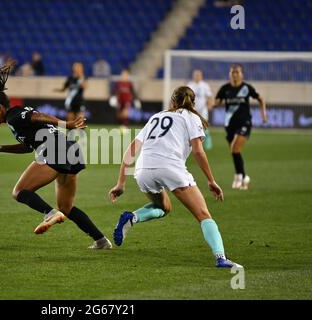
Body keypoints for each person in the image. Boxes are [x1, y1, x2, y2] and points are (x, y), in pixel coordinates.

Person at [0, 62, 112, 249]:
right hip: (68, 149)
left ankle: (49, 213)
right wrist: (1, 147)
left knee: (19, 192)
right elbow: (27, 146)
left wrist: (67, 124)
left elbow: (37, 116)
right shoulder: (14, 119)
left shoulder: (14, 116)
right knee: (66, 207)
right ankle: (101, 241)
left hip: (54, 149)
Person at [109, 86, 242, 268]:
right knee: (203, 215)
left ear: (172, 101)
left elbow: (132, 148)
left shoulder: (156, 116)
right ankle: (221, 258)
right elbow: (198, 151)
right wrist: (211, 180)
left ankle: (131, 217)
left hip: (143, 169)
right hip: (171, 167)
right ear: (193, 102)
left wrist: (120, 183)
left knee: (163, 207)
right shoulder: (192, 117)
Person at [214, 64, 267, 190]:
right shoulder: (224, 88)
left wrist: (263, 114)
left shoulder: (247, 88)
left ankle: (238, 177)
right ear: (229, 74)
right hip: (229, 125)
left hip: (245, 123)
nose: (234, 74)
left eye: (237, 72)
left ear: (242, 74)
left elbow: (261, 99)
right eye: (232, 72)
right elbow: (216, 102)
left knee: (235, 147)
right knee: (234, 151)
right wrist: (210, 103)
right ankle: (244, 177)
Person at [187, 69, 214, 150]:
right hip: (192, 110)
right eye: (196, 75)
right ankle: (192, 143)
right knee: (191, 126)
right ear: (193, 76)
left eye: (199, 75)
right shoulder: (189, 85)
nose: (197, 76)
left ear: (201, 76)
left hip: (203, 109)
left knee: (204, 126)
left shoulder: (205, 85)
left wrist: (210, 104)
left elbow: (210, 96)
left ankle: (207, 141)